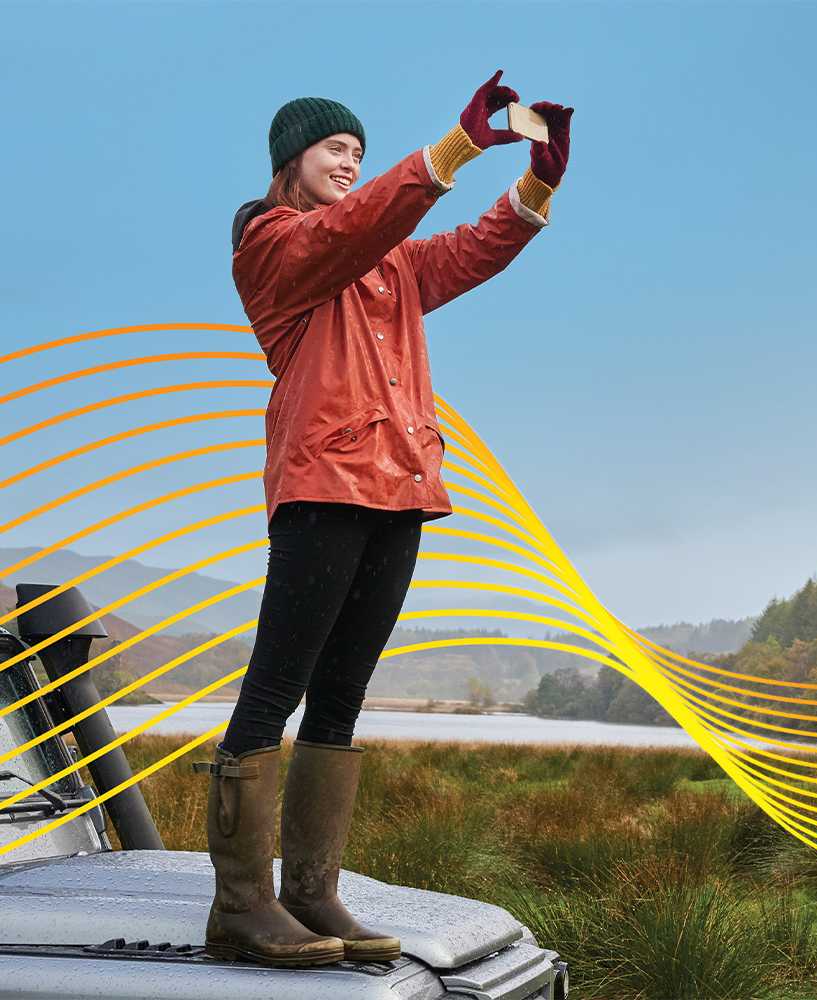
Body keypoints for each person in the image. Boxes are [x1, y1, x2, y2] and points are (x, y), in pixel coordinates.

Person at [192, 69, 573, 967]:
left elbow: (469, 249)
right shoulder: (271, 240)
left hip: (399, 489)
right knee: (276, 686)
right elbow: (350, 230)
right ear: (293, 159)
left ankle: (313, 893)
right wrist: (456, 146)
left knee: (344, 693)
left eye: (360, 153)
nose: (350, 162)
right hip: (324, 482)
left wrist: (538, 183)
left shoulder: (388, 259)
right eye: (335, 147)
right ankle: (240, 905)